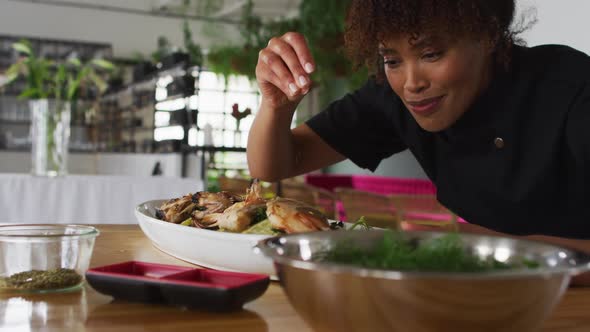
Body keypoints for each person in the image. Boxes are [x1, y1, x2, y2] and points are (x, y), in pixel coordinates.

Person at [247, 0, 590, 282]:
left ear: (487, 36)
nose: (411, 83)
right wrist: (275, 107)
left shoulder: (572, 88)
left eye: (431, 54)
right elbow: (276, 164)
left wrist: (481, 247)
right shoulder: (392, 99)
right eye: (392, 60)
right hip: (489, 293)